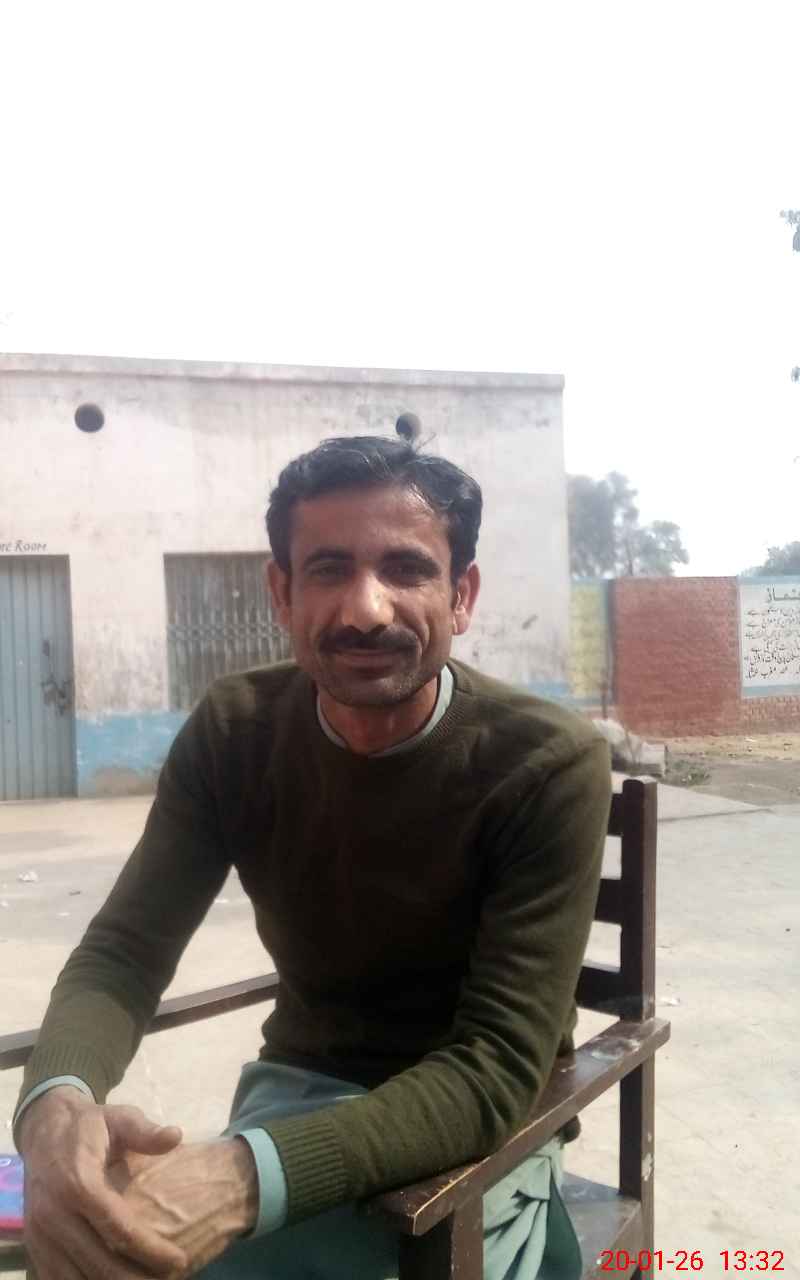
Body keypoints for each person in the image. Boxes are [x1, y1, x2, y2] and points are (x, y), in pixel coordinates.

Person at [14, 434, 611, 1280]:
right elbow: (124, 952)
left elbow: (494, 1068)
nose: (365, 609)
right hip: (294, 1096)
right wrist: (54, 1107)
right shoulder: (235, 731)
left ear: (462, 596)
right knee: (92, 1242)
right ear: (282, 593)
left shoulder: (546, 763)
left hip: (481, 1132)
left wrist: (238, 1179)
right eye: (329, 570)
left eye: (406, 569)